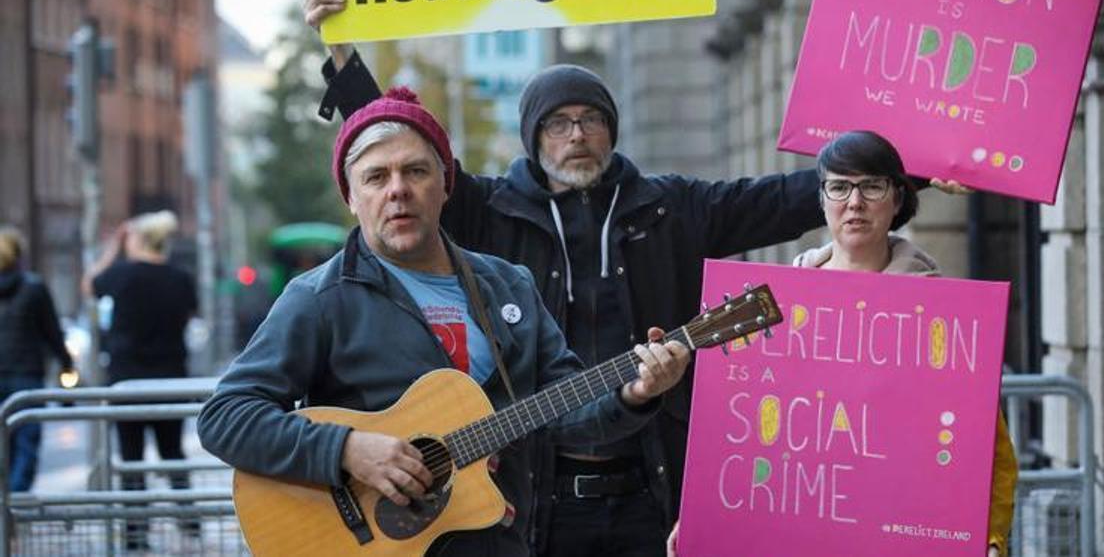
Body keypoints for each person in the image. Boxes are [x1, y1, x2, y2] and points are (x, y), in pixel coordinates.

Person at [304, 0, 969, 556]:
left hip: (655, 488)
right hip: (531, 494)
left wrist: (916, 172)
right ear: (535, 138)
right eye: (558, 123)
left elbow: (788, 199)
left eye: (592, 118)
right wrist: (342, 47)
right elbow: (396, 141)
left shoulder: (671, 206)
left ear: (613, 130)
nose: (577, 134)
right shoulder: (488, 209)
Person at [196, 87, 691, 556]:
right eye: (376, 177)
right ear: (351, 197)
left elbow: (562, 407)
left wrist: (636, 393)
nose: (398, 191)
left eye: (416, 171)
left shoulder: (508, 286)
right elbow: (226, 418)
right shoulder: (318, 298)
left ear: (445, 185)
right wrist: (347, 449)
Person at [667, 130, 1016, 557]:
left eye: (872, 186)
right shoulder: (766, 308)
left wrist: (991, 538)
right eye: (839, 186)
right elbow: (737, 435)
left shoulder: (941, 315)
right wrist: (703, 512)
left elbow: (987, 445)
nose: (855, 202)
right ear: (822, 199)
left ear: (898, 199)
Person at [83, 210, 198, 548]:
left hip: (127, 382)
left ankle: (136, 534)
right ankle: (190, 524)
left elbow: (89, 284)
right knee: (173, 453)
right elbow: (189, 314)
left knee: (132, 460)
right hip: (170, 381)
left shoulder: (120, 274)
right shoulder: (180, 278)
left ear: (137, 240)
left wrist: (111, 248)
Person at [0, 226, 74, 492]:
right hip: (27, 375)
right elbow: (52, 332)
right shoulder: (34, 288)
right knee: (26, 443)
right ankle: (16, 501)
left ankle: (4, 509)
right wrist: (66, 364)